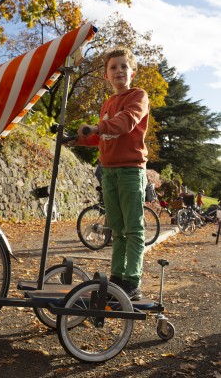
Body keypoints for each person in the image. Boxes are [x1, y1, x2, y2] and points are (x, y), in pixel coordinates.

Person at [76, 47, 149, 300]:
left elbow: (126, 122)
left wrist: (97, 126)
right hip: (108, 172)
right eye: (113, 67)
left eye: (123, 67)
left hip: (130, 170)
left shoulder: (138, 96)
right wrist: (76, 139)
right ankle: (117, 277)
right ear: (106, 75)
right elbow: (101, 137)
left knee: (133, 229)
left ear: (132, 72)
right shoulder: (107, 103)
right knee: (116, 230)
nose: (119, 71)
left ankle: (132, 281)